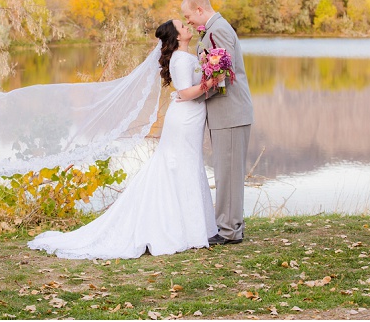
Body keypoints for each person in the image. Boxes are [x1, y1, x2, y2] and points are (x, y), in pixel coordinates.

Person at [26, 20, 223, 259]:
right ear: (176, 36)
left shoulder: (187, 55)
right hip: (184, 120)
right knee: (180, 166)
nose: (187, 27)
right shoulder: (180, 60)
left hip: (190, 118)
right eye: (183, 26)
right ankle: (182, 230)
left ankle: (192, 228)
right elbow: (185, 92)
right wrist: (211, 82)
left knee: (187, 166)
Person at [180, 0, 255, 246]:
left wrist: (193, 98)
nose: (187, 21)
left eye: (188, 16)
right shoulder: (212, 30)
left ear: (200, 9)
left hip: (231, 112)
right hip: (225, 113)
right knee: (226, 171)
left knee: (229, 172)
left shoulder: (218, 29)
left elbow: (224, 73)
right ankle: (231, 226)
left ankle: (229, 231)